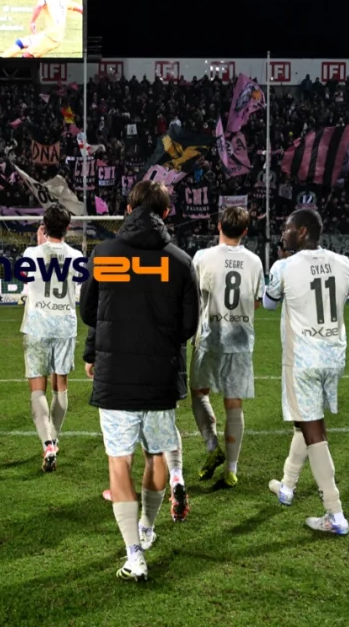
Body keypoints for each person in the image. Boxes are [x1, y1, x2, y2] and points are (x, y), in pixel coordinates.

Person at [80, 180, 199, 582]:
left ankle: (134, 554)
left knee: (120, 462)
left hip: (116, 378)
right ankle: (147, 528)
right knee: (156, 454)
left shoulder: (105, 253)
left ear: (129, 208)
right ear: (165, 214)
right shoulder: (181, 261)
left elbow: (88, 312)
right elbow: (188, 326)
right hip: (159, 376)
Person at [166, 206, 264, 519]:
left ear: (218, 225)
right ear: (245, 231)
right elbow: (258, 300)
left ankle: (212, 446)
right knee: (234, 405)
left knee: (199, 393)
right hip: (240, 339)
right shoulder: (254, 261)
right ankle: (231, 470)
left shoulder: (202, 256)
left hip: (208, 337)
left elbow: (192, 296)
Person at [263, 208, 349, 535]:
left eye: (287, 228)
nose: (283, 233)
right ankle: (287, 484)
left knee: (313, 428)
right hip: (333, 354)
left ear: (301, 232)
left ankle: (334, 512)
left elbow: (270, 303)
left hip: (303, 358)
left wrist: (281, 263)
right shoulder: (344, 263)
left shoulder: (284, 266)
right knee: (306, 419)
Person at [19, 203, 83, 472]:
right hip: (64, 325)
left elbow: (26, 282)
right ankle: (53, 440)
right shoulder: (76, 255)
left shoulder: (31, 253)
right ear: (68, 228)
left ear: (43, 227)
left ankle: (47, 442)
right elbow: (76, 289)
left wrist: (38, 245)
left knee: (38, 388)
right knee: (61, 386)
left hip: (37, 325)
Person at [1, 0, 84, 59]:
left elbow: (39, 6)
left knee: (27, 56)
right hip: (48, 34)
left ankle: (0, 67)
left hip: (52, 37)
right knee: (20, 42)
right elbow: (80, 9)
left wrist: (33, 22)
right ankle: (0, 59)